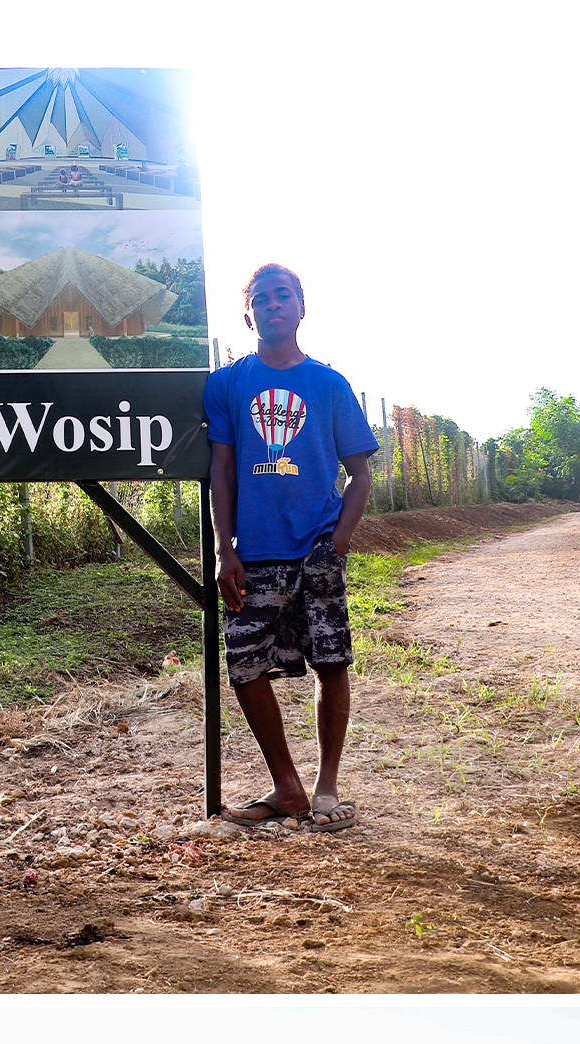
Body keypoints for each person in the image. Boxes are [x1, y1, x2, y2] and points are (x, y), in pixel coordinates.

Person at [206, 262, 376, 833]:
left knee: (331, 662)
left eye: (285, 296)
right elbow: (222, 470)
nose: (274, 305)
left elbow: (360, 474)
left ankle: (326, 788)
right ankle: (288, 788)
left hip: (317, 551)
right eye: (262, 298)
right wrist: (224, 547)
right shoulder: (228, 383)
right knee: (244, 664)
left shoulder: (329, 385)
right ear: (247, 312)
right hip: (254, 554)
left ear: (303, 307)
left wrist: (340, 540)